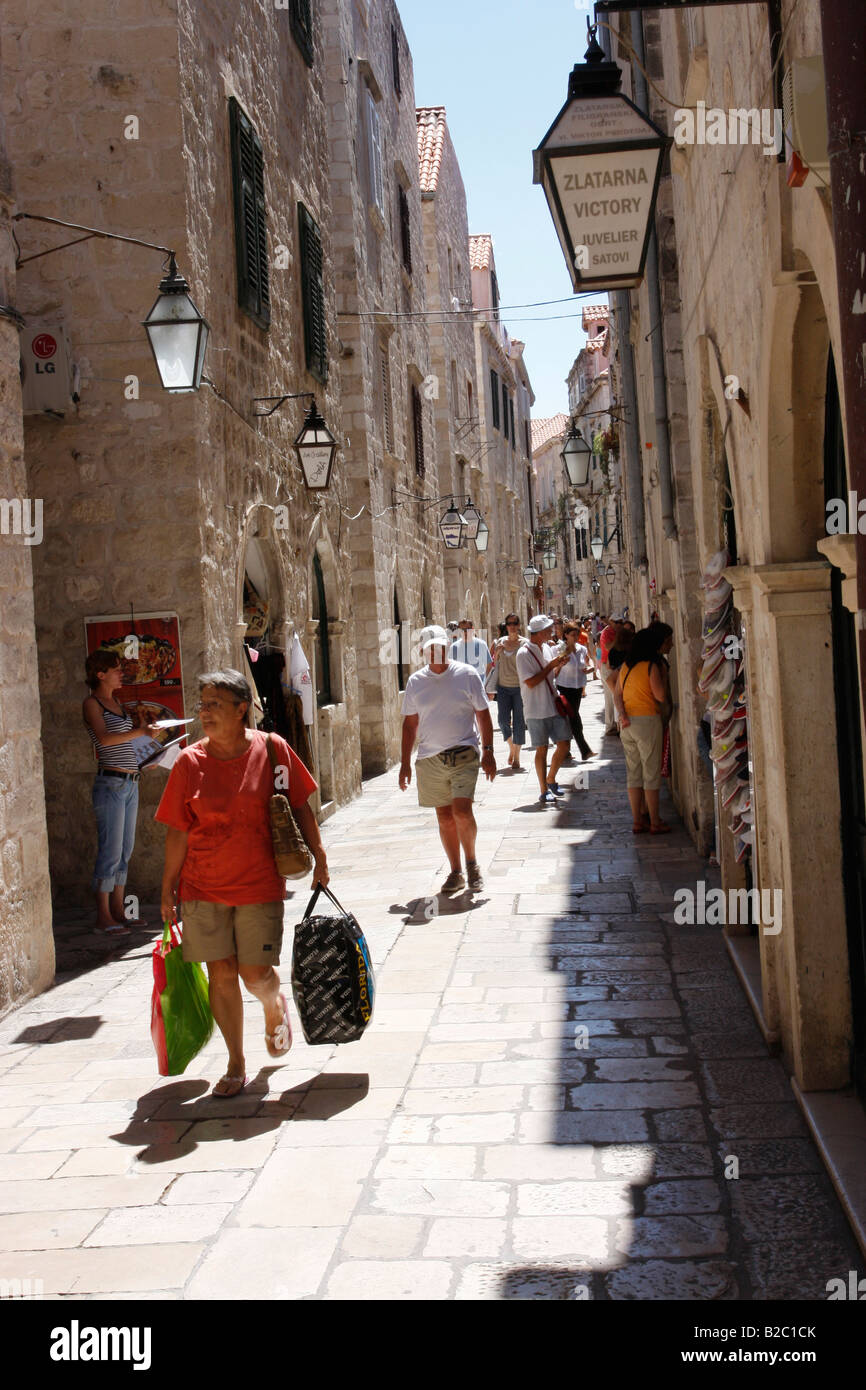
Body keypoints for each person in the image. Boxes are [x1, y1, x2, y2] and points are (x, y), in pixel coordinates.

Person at [156, 669, 329, 1098]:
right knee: (221, 973)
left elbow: (301, 803)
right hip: (202, 888)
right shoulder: (188, 763)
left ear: (241, 710)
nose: (204, 712)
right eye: (201, 704)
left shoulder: (273, 750)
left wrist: (320, 854)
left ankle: (273, 1003)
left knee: (254, 974)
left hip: (258, 885)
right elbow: (177, 830)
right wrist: (167, 888)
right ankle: (236, 1062)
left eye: (215, 704)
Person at [399, 625, 497, 893]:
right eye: (430, 649)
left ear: (447, 647)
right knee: (444, 817)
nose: (436, 653)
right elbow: (410, 725)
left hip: (464, 752)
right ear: (423, 652)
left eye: (440, 648)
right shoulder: (416, 682)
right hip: (430, 758)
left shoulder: (466, 675)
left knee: (462, 811)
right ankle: (455, 871)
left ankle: (472, 863)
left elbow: (483, 714)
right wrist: (405, 763)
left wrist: (488, 751)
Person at [83, 649, 161, 933]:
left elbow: (123, 744)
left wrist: (146, 758)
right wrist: (140, 732)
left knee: (125, 849)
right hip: (111, 783)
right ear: (100, 674)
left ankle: (118, 910)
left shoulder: (115, 702)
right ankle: (103, 915)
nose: (121, 673)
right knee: (110, 849)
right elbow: (104, 739)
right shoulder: (92, 704)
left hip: (130, 781)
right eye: (116, 669)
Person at [614, 625, 674, 835]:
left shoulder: (626, 667)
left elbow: (617, 694)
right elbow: (659, 696)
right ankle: (655, 821)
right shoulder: (651, 667)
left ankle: (637, 821)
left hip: (627, 723)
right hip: (647, 721)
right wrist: (665, 682)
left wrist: (621, 714)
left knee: (634, 773)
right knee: (651, 773)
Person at [516, 615, 572, 805]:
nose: (551, 632)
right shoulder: (523, 654)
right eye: (548, 629)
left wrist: (558, 667)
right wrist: (551, 666)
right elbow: (530, 682)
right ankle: (543, 789)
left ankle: (551, 778)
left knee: (564, 744)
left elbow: (550, 676)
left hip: (553, 703)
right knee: (542, 749)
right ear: (538, 633)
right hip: (535, 708)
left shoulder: (547, 647)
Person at [491, 613, 527, 770]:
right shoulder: (500, 642)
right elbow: (494, 662)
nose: (512, 626)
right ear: (506, 626)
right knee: (502, 721)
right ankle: (512, 747)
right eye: (509, 623)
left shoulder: (524, 644)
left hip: (519, 688)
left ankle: (517, 757)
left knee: (519, 722)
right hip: (503, 687)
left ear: (519, 625)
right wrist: (497, 653)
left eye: (514, 623)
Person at [556, 622, 594, 761]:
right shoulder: (560, 649)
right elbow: (554, 670)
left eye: (577, 634)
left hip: (578, 687)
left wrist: (589, 670)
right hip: (564, 687)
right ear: (566, 635)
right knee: (573, 718)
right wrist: (560, 665)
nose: (576, 637)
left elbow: (586, 665)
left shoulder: (582, 649)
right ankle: (584, 750)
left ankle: (566, 750)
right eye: (573, 635)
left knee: (570, 719)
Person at [599, 614, 622, 735]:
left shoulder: (617, 631)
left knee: (616, 695)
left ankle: (617, 723)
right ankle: (610, 726)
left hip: (616, 666)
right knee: (610, 696)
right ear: (611, 621)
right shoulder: (607, 632)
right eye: (617, 622)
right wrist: (618, 637)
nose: (619, 624)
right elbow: (608, 647)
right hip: (607, 666)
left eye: (620, 622)